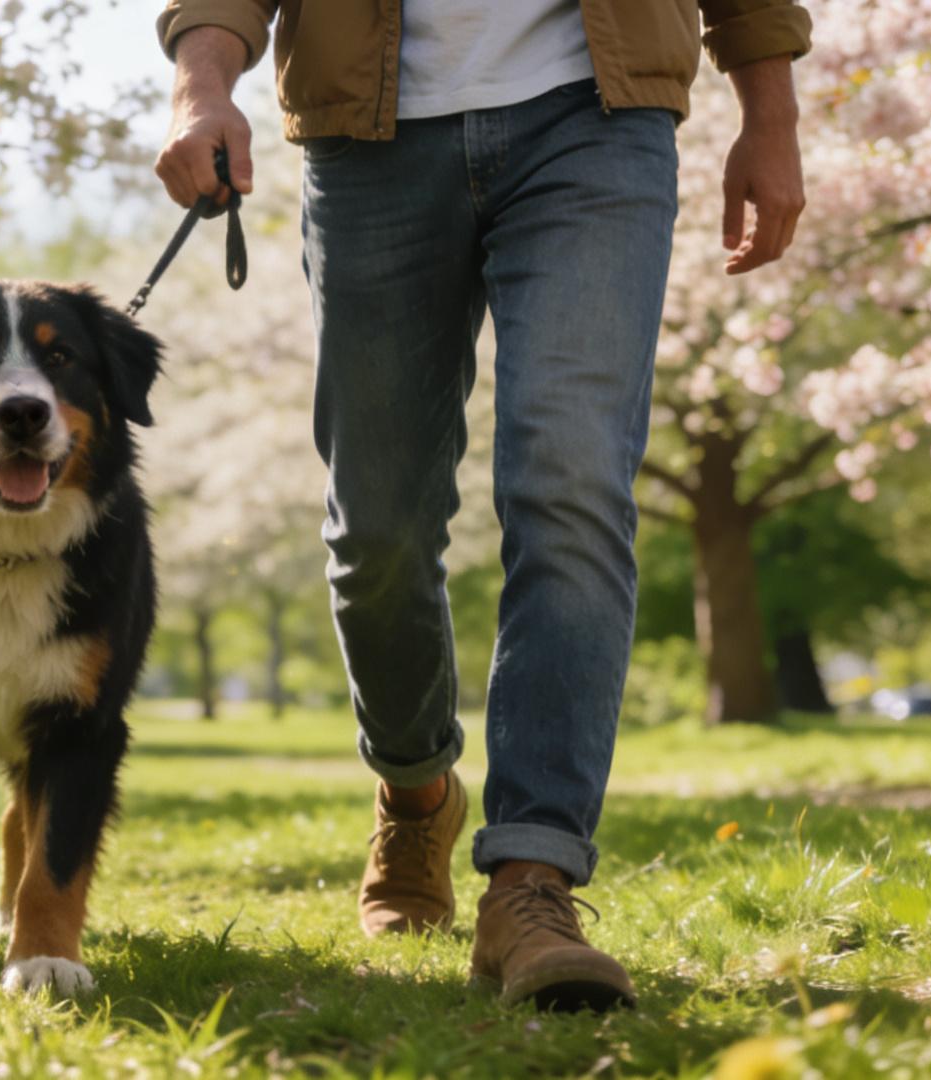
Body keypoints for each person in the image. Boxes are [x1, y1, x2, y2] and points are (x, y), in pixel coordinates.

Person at [154, 0, 810, 1011]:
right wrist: (202, 89)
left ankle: (532, 879)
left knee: (574, 484)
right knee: (376, 528)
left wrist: (772, 116)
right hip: (368, 132)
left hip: (597, 118)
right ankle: (417, 792)